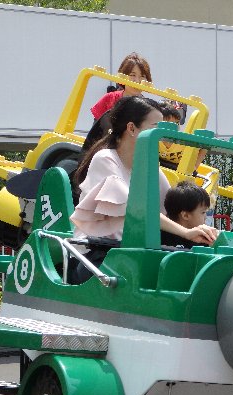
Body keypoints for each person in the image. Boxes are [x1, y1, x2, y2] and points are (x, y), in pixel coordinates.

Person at [70, 96, 218, 282]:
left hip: (133, 253)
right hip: (96, 254)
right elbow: (136, 210)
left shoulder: (150, 166)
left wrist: (205, 231)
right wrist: (186, 232)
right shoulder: (105, 159)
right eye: (155, 127)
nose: (161, 136)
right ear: (132, 128)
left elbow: (174, 207)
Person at [90, 53, 152, 121]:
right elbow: (96, 127)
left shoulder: (150, 108)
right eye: (132, 75)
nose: (137, 81)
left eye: (142, 76)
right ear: (122, 76)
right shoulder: (109, 99)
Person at [161, 181, 212, 248]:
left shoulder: (203, 239)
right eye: (203, 212)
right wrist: (186, 232)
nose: (206, 217)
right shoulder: (161, 236)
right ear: (185, 215)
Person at [157, 101, 207, 169]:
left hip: (179, 169)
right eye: (168, 125)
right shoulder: (155, 138)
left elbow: (204, 147)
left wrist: (195, 166)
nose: (175, 127)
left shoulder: (183, 141)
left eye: (177, 123)